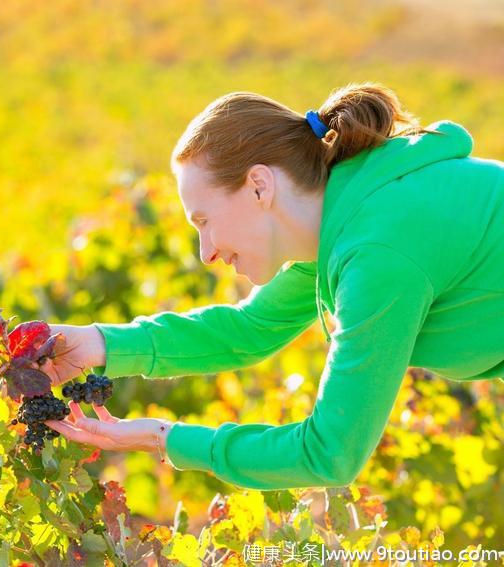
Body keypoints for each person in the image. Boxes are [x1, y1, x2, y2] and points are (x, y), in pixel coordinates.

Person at [42, 82, 504, 491]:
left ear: (260, 186)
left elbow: (329, 454)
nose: (205, 253)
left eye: (204, 221)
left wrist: (164, 439)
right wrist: (96, 344)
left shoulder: (378, 251)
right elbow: (249, 330)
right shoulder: (348, 219)